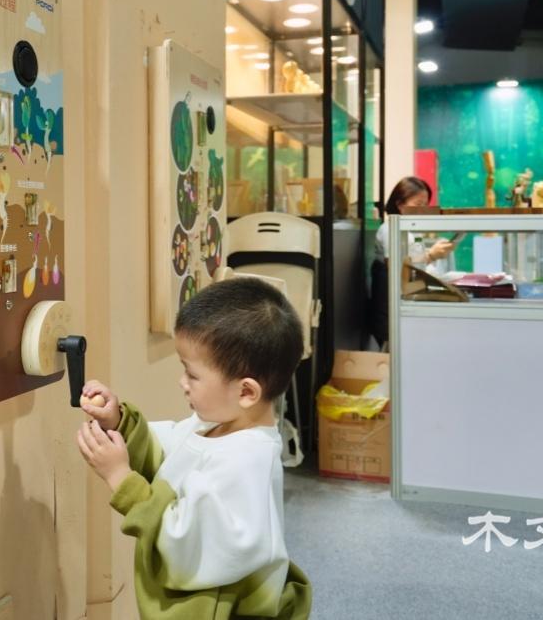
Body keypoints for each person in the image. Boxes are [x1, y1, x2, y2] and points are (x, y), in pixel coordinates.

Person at [76, 277, 313, 620]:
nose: (182, 383)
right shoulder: (212, 425)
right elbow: (168, 452)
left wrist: (121, 479)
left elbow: (187, 546)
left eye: (192, 374)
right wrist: (119, 421)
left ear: (246, 392)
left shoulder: (247, 464)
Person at [369, 176, 456, 346]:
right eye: (418, 205)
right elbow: (396, 269)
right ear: (400, 204)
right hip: (390, 312)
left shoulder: (411, 231)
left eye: (425, 205)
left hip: (405, 303)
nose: (423, 210)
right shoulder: (390, 230)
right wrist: (431, 255)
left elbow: (414, 265)